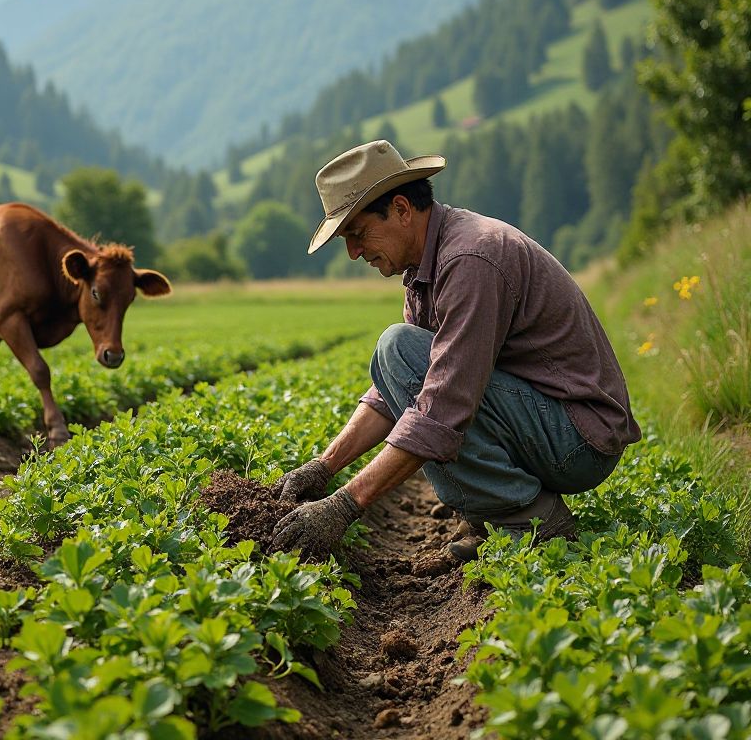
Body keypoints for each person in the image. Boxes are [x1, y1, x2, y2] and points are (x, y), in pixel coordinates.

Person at [270, 139, 641, 562]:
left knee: (399, 348)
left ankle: (528, 518)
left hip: (576, 440)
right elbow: (393, 393)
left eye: (358, 233)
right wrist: (324, 467)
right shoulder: (427, 263)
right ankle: (492, 508)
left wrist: (345, 504)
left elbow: (441, 406)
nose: (354, 252)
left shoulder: (470, 259)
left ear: (402, 210)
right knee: (397, 353)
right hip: (549, 424)